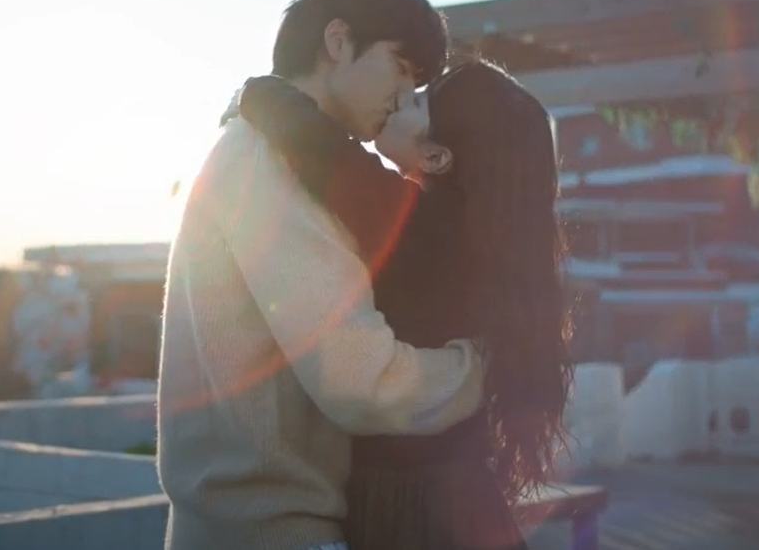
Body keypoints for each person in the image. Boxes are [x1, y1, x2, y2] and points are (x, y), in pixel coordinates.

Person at [155, 0, 489, 550]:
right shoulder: (269, 163)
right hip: (273, 531)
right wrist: (485, 367)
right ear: (338, 40)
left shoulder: (255, 149)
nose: (403, 96)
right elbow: (362, 379)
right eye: (400, 67)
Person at [237, 60, 572, 550]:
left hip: (410, 506)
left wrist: (256, 91)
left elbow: (319, 147)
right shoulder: (482, 240)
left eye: (417, 102)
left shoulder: (422, 227)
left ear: (435, 156)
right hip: (466, 501)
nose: (398, 99)